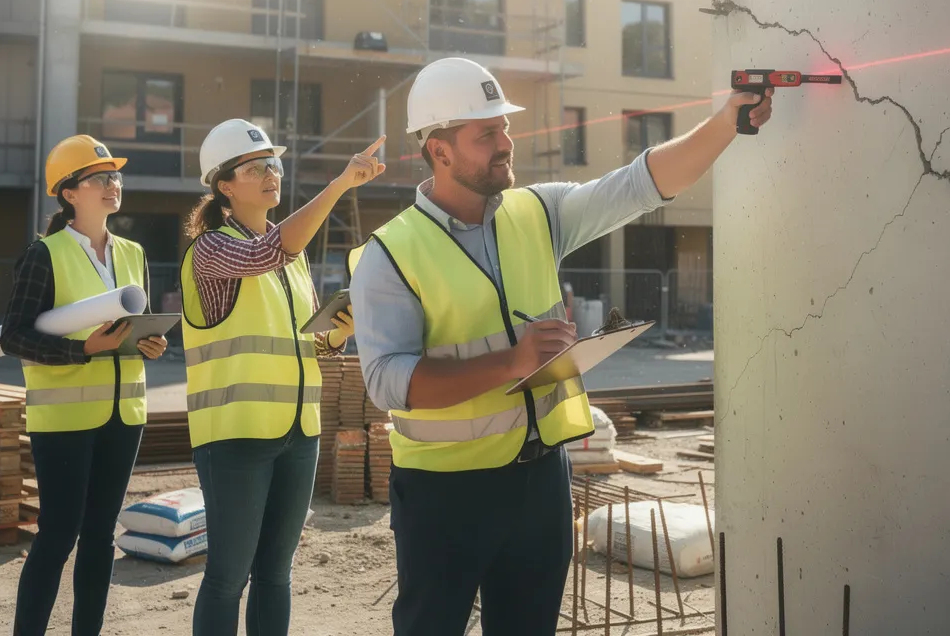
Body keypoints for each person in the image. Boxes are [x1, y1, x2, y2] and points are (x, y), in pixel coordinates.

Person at [347, 57, 773, 635]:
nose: (506, 143)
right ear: (439, 150)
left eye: (504, 127)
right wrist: (512, 362)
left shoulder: (537, 212)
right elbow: (387, 381)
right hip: (444, 496)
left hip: (541, 481)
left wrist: (727, 122)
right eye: (487, 133)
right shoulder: (390, 253)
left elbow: (638, 184)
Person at [178, 118, 384, 636]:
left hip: (299, 433)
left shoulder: (294, 255)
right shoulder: (210, 249)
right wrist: (340, 184)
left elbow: (308, 343)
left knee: (275, 573)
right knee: (227, 577)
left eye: (274, 163)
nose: (272, 173)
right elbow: (265, 254)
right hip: (235, 435)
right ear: (225, 185)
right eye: (256, 167)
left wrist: (340, 330)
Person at [1, 134, 169, 636]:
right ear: (69, 192)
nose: (112, 184)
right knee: (57, 536)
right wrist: (82, 350)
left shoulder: (134, 252)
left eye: (115, 176)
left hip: (125, 417)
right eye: (100, 178)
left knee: (99, 538)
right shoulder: (44, 254)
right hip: (65, 421)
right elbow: (14, 336)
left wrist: (148, 344)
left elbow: (124, 331)